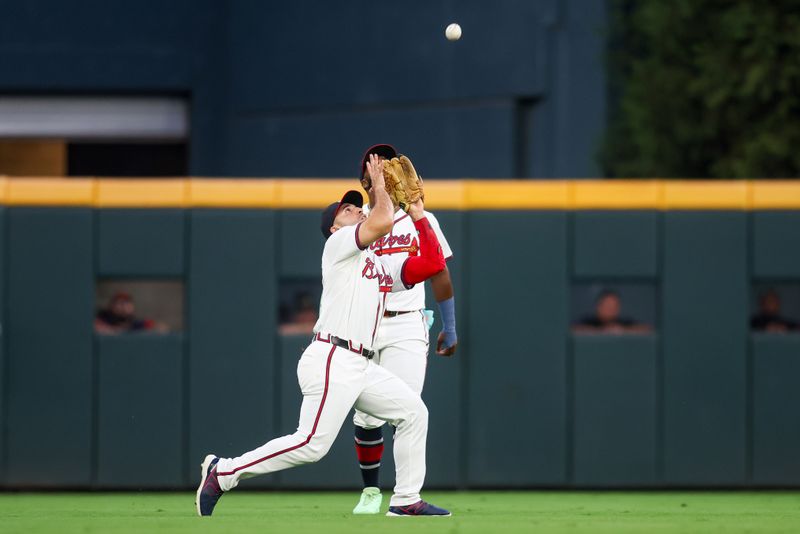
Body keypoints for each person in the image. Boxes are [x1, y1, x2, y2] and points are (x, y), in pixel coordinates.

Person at [196, 154, 451, 517]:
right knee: (311, 445)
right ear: (334, 227)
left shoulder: (378, 264)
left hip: (360, 365)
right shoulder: (339, 246)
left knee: (414, 413)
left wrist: (419, 213)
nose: (356, 210)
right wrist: (379, 186)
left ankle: (406, 499)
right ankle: (224, 472)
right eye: (346, 210)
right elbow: (379, 220)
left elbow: (432, 264)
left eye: (355, 206)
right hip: (333, 356)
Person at [350, 144, 458, 515]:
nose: (386, 170)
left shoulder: (421, 218)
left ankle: (406, 497)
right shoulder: (356, 221)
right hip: (364, 325)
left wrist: (451, 324)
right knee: (365, 417)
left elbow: (440, 271)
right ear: (366, 178)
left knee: (408, 408)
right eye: (377, 165)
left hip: (408, 324)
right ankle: (370, 492)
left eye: (390, 163)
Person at [572, 290, 651, 334]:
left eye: (613, 306)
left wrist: (622, 330)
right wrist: (602, 331)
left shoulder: (623, 323)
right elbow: (574, 329)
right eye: (607, 306)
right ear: (599, 307)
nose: (610, 309)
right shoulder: (589, 321)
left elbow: (646, 329)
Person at [94, 291, 165, 334]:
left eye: (126, 303)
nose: (123, 307)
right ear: (112, 306)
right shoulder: (104, 318)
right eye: (120, 303)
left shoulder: (136, 323)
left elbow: (161, 328)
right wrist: (113, 330)